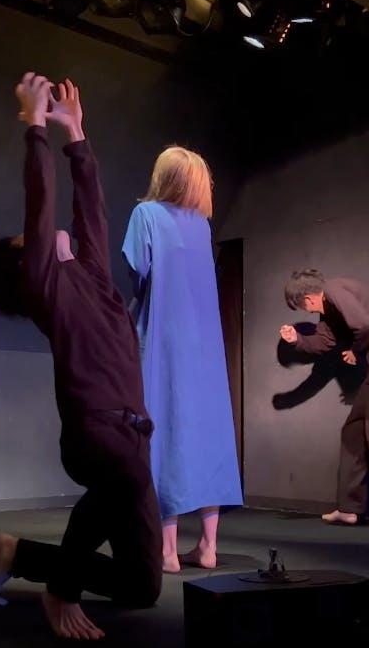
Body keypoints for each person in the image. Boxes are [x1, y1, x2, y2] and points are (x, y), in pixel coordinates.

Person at [0, 73, 162, 640]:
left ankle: (21, 555)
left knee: (142, 585)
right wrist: (34, 127)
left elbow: (92, 209)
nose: (41, 233)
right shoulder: (44, 287)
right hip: (95, 435)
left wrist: (76, 132)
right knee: (125, 477)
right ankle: (61, 589)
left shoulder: (93, 272)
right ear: (25, 263)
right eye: (26, 241)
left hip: (133, 436)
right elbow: (40, 201)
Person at [121, 146, 242, 573]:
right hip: (205, 343)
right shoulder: (201, 224)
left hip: (165, 336)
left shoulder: (147, 215)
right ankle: (208, 547)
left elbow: (138, 271)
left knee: (164, 430)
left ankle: (167, 551)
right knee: (208, 435)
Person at [279, 268, 369, 534]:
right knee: (353, 433)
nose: (308, 311)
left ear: (308, 298)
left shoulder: (334, 290)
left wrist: (355, 351)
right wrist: (297, 339)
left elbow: (364, 325)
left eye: (303, 307)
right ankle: (349, 508)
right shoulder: (329, 308)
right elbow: (324, 342)